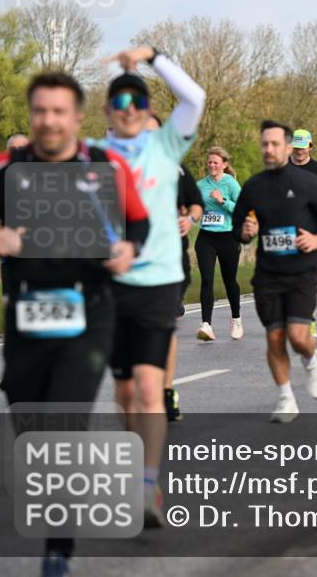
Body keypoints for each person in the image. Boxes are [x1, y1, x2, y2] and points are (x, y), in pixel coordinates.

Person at [0, 72, 149, 577]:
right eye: (40, 111)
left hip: (88, 310)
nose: (49, 121)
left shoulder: (105, 166)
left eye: (59, 112)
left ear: (77, 117)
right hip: (27, 311)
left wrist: (127, 250)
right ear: (32, 116)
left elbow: (138, 221)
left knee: (63, 424)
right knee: (30, 423)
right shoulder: (4, 169)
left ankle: (58, 551)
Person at [96, 46, 205, 529]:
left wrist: (152, 57)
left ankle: (146, 485)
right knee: (122, 395)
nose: (129, 111)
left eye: (136, 103)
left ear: (146, 108)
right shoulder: (94, 156)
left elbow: (195, 97)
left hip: (160, 280)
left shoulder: (167, 145)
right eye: (119, 104)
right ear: (107, 112)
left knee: (147, 386)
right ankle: (138, 466)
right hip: (112, 284)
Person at [233, 121, 317, 421]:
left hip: (302, 273)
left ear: (286, 147)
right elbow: (237, 229)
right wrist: (246, 232)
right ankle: (286, 398)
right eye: (264, 144)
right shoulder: (253, 186)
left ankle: (311, 360)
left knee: (297, 337)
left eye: (274, 144)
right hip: (267, 274)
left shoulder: (307, 182)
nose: (268, 149)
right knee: (274, 338)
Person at [165, 159, 203, 422]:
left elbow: (196, 204)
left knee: (161, 325)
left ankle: (166, 390)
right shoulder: (113, 168)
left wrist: (189, 219)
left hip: (168, 261)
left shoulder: (175, 169)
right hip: (127, 264)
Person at [194, 147, 243, 341]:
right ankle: (206, 324)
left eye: (216, 162)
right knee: (207, 279)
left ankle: (237, 319)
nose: (212, 165)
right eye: (210, 162)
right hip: (206, 237)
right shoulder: (200, 185)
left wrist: (222, 201)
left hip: (228, 238)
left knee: (229, 280)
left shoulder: (231, 184)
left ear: (224, 164)